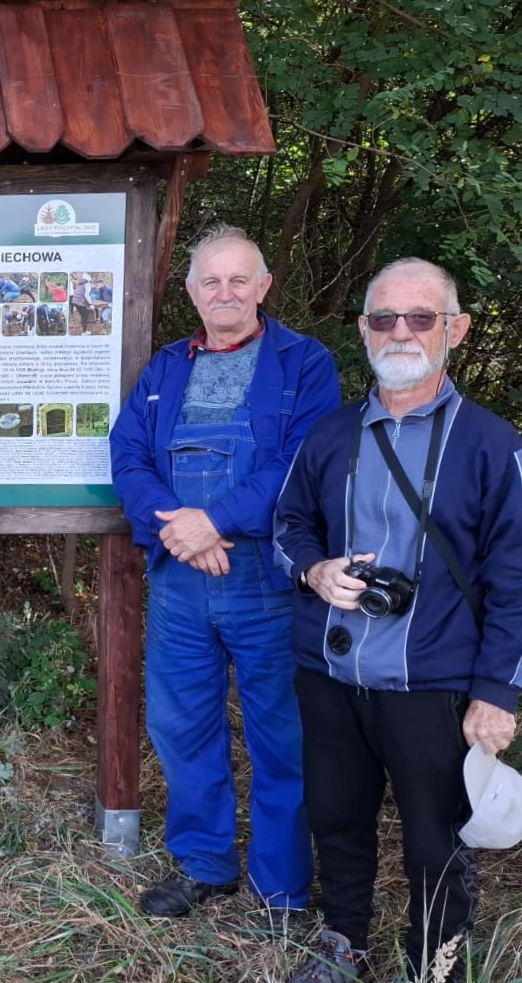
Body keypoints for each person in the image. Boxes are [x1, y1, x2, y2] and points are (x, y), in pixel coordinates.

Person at [273, 258, 522, 983]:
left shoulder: (493, 445)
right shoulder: (331, 435)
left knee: (436, 837)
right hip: (330, 671)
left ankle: (436, 961)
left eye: (421, 317)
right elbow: (288, 521)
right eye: (385, 317)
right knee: (335, 816)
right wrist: (313, 568)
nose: (401, 331)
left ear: (454, 329)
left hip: (435, 680)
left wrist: (499, 690)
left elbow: (521, 580)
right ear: (363, 328)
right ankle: (343, 941)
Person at [109, 225, 341, 924]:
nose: (225, 292)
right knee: (183, 727)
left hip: (267, 580)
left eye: (240, 279)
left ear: (264, 287)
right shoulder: (165, 368)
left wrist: (217, 523)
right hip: (180, 582)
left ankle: (283, 889)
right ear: (191, 292)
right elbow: (127, 459)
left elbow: (301, 461)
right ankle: (205, 865)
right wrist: (179, 528)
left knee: (283, 735)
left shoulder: (306, 362)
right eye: (211, 281)